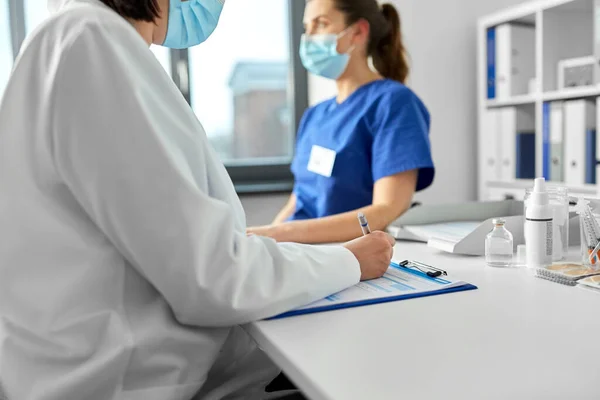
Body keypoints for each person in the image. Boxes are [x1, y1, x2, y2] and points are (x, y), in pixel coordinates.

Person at [0, 0, 396, 398]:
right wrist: (348, 260)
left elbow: (186, 248)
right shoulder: (93, 39)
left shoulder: (86, 41)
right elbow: (213, 276)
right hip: (121, 382)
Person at [248, 0, 435, 245]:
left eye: (321, 24)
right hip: (299, 253)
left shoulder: (394, 104)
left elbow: (388, 209)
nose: (309, 37)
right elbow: (300, 198)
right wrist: (265, 241)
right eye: (307, 27)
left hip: (346, 256)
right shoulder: (315, 115)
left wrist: (280, 234)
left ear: (358, 32)